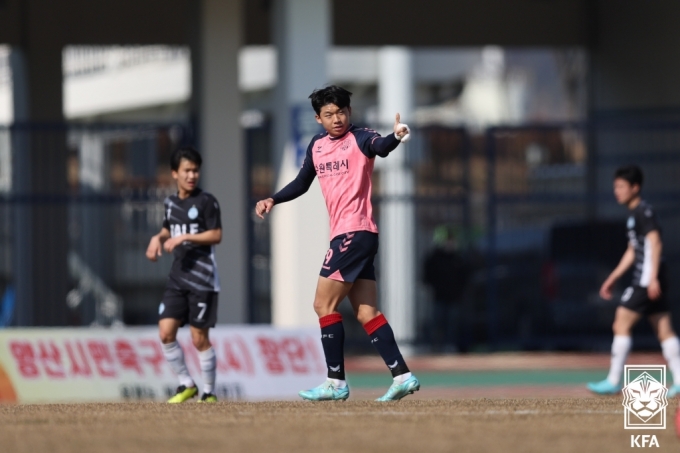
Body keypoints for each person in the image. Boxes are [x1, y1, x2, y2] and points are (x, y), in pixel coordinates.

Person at [255, 86, 420, 401]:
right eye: (329, 114)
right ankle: (402, 375)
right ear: (318, 118)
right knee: (367, 312)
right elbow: (302, 183)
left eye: (341, 112)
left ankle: (335, 382)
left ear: (350, 112)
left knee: (322, 305)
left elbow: (380, 147)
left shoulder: (360, 138)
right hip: (357, 236)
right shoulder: (317, 146)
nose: (337, 119)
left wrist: (396, 136)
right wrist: (273, 199)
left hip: (353, 234)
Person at [587, 165, 680, 396]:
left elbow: (655, 242)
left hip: (647, 279)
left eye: (621, 186)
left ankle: (613, 381)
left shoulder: (643, 212)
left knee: (621, 322)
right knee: (664, 330)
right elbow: (633, 250)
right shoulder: (634, 215)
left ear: (635, 188)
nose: (616, 191)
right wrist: (614, 276)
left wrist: (651, 279)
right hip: (652, 277)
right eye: (615, 186)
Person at [146, 146, 222, 403]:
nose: (192, 175)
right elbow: (168, 229)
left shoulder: (206, 201)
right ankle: (186, 384)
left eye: (195, 170)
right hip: (177, 278)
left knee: (199, 338)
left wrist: (186, 237)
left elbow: (216, 235)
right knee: (166, 332)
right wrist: (157, 238)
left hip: (203, 280)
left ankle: (209, 393)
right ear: (175, 173)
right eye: (187, 170)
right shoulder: (170, 203)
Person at [423, 225, 470, 352]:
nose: (450, 243)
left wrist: (460, 290)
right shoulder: (435, 258)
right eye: (447, 240)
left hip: (454, 297)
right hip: (439, 296)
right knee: (437, 322)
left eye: (452, 241)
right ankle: (434, 346)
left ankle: (450, 345)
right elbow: (428, 275)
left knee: (452, 323)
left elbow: (464, 276)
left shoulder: (458, 258)